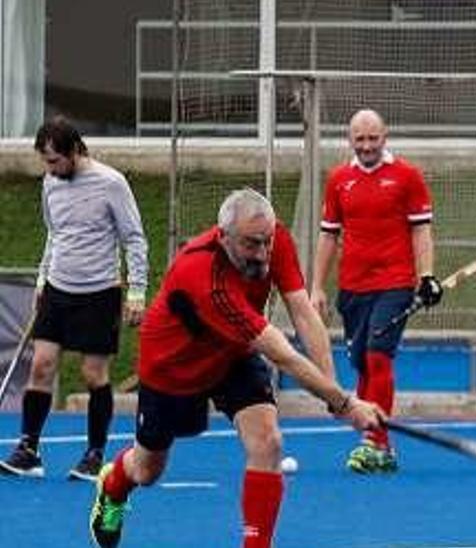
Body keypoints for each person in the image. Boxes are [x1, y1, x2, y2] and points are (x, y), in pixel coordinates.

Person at [87, 189, 383, 548]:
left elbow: (303, 312)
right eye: (250, 244)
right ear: (223, 236)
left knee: (268, 441)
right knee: (147, 470)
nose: (261, 253)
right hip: (174, 369)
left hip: (233, 354)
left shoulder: (275, 239)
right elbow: (281, 353)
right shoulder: (201, 273)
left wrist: (331, 390)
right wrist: (345, 403)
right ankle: (113, 485)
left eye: (266, 242)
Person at [1, 118, 149, 481]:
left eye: (54, 161)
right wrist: (41, 281)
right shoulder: (51, 184)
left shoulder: (112, 183)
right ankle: (28, 450)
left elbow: (134, 238)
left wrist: (136, 292)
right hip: (57, 289)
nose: (49, 169)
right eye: (45, 162)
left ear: (74, 151)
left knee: (93, 373)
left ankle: (95, 454)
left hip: (99, 292)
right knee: (41, 366)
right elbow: (55, 235)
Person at [310, 109, 441, 474]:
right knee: (362, 363)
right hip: (352, 287)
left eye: (373, 138)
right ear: (349, 139)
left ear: (385, 136)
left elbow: (420, 230)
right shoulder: (339, 179)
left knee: (379, 355)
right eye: (360, 139)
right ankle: (377, 440)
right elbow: (328, 235)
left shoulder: (406, 177)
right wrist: (317, 286)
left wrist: (426, 276)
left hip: (395, 283)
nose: (367, 146)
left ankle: (376, 442)